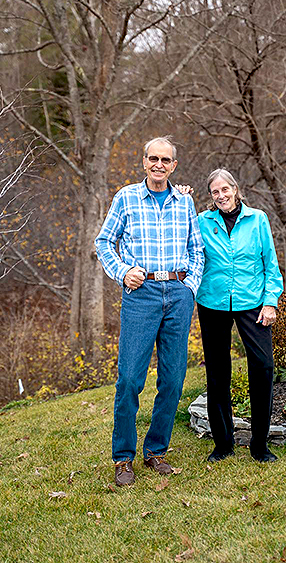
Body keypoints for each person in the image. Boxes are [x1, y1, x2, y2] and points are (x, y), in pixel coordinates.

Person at [95, 136, 204, 486]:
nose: (159, 165)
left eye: (166, 160)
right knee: (129, 379)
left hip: (177, 293)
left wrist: (190, 286)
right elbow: (103, 242)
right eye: (153, 158)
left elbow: (197, 248)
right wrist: (122, 272)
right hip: (140, 296)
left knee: (172, 379)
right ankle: (123, 458)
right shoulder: (126, 197)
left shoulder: (184, 202)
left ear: (174, 166)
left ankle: (156, 450)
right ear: (144, 162)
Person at [181, 169, 283, 463]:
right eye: (215, 192)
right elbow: (179, 233)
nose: (221, 195)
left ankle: (259, 445)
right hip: (212, 302)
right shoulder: (201, 221)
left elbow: (271, 266)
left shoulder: (258, 219)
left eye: (225, 189)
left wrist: (270, 302)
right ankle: (223, 443)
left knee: (263, 367)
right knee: (217, 372)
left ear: (236, 190)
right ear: (211, 197)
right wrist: (182, 198)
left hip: (253, 302)